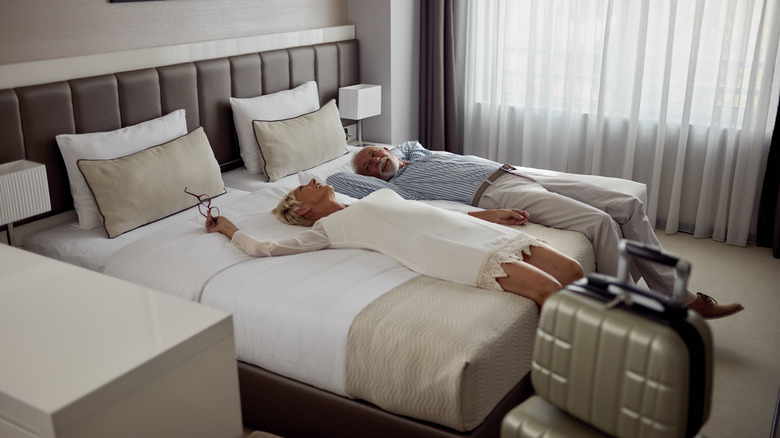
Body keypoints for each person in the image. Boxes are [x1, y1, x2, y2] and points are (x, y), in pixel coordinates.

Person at [325, 141, 744, 319]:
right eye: (367, 163)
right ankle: (627, 313)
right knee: (598, 222)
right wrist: (355, 164)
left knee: (628, 205)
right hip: (494, 193)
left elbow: (405, 143)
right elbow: (341, 182)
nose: (375, 159)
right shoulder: (399, 186)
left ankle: (674, 293)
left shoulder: (414, 154)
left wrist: (382, 148)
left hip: (515, 172)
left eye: (377, 152)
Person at [205, 179, 584, 306]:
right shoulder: (329, 230)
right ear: (302, 209)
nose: (313, 180)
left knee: (573, 270)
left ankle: (607, 339)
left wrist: (488, 216)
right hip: (448, 250)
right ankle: (579, 367)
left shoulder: (362, 200)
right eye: (305, 186)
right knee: (548, 289)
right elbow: (264, 249)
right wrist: (228, 228)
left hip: (470, 230)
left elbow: (424, 209)